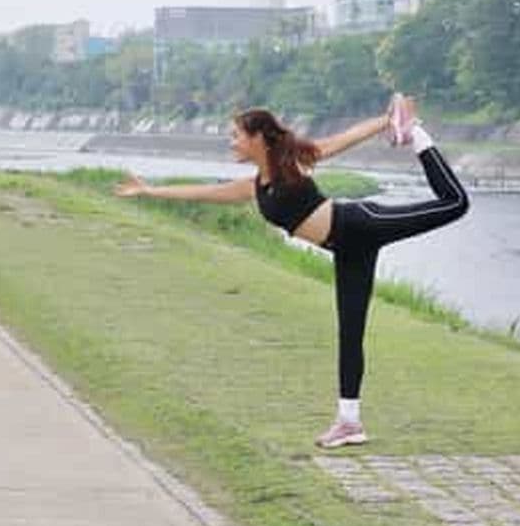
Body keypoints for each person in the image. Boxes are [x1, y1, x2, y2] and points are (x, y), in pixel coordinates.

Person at [114, 95, 469, 449]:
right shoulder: (255, 186)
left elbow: (339, 141)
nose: (231, 142)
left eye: (236, 135)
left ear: (257, 138)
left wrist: (387, 121)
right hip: (347, 250)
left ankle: (418, 135)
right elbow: (204, 192)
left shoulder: (293, 163)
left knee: (455, 203)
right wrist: (149, 190)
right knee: (349, 334)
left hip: (362, 224)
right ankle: (349, 423)